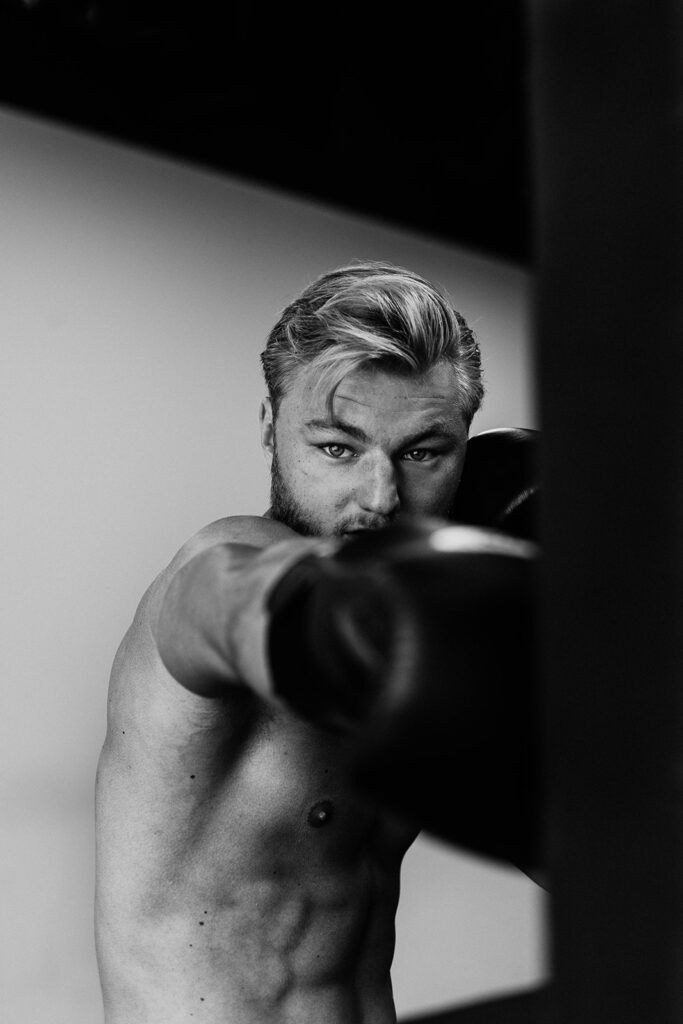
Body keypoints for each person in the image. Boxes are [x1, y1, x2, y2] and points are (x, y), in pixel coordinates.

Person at [95, 261, 504, 1024]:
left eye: (422, 452)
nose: (380, 499)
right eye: (338, 448)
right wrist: (323, 616)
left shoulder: (448, 633)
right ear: (268, 427)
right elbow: (217, 598)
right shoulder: (225, 563)